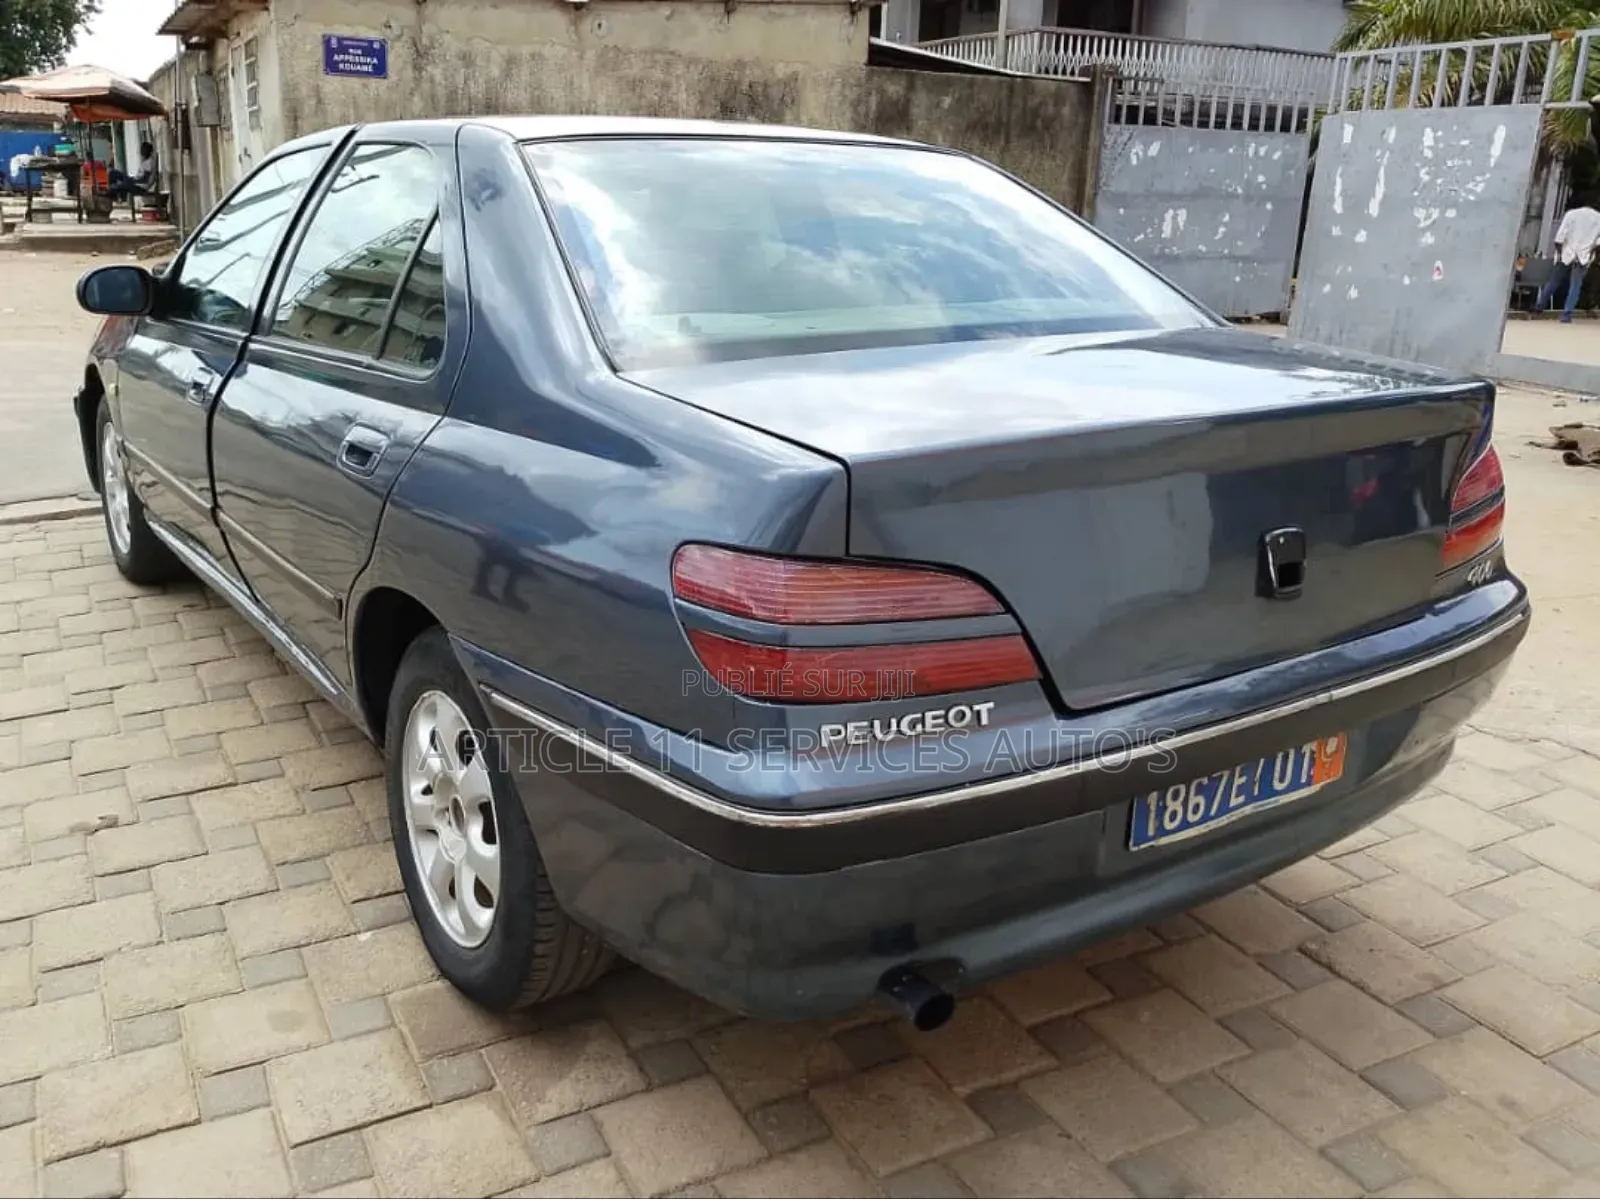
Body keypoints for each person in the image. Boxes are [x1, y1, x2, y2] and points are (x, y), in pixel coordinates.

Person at [1536, 194, 1600, 322]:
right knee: (1575, 285)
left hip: (1566, 253)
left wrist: (1560, 254)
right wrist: (1591, 254)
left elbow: (1559, 238)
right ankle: (1566, 315)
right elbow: (1598, 243)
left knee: (1553, 282)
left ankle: (1539, 307)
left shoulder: (1571, 214)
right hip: (1584, 256)